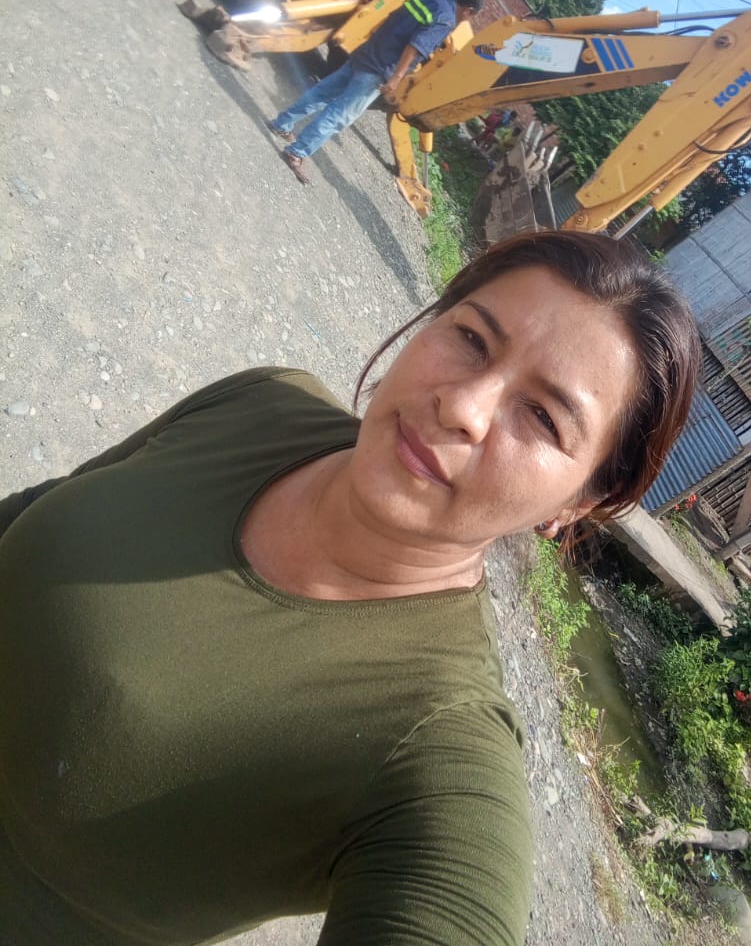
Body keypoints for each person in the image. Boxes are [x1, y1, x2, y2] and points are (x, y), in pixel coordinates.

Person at [0, 230, 700, 945]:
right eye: (471, 339)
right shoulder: (263, 401)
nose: (463, 406)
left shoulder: (436, 745)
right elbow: (36, 511)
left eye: (544, 417)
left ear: (576, 504)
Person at [267, 0, 480, 184]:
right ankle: (297, 152)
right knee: (340, 114)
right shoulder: (445, 20)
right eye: (471, 17)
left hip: (367, 53)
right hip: (380, 69)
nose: (467, 21)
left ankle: (281, 124)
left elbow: (389, 18)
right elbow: (416, 47)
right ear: (468, 10)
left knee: (322, 92)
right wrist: (396, 78)